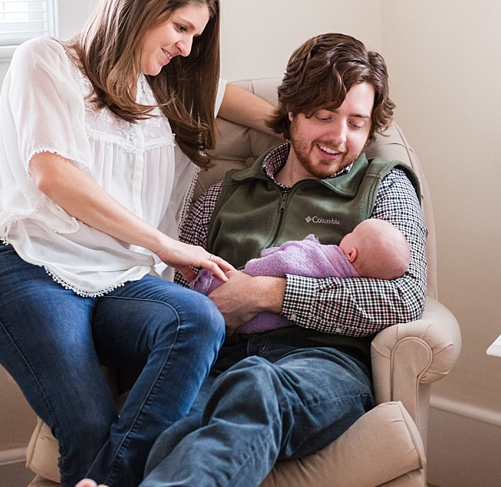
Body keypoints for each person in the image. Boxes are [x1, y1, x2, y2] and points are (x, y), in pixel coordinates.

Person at [0, 0, 275, 487]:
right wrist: (165, 245)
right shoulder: (45, 61)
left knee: (196, 319)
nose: (185, 48)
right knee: (88, 425)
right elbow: (54, 176)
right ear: (142, 3)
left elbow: (248, 105)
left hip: (119, 281)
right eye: (180, 27)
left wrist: (322, 129)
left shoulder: (166, 88)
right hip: (30, 267)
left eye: (195, 37)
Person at [115, 32, 428, 487]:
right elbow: (175, 290)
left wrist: (267, 293)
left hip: (322, 362)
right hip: (217, 359)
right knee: (161, 428)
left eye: (357, 123)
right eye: (324, 116)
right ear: (292, 111)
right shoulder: (223, 193)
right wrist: (211, 310)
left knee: (259, 386)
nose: (340, 138)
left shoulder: (384, 187)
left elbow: (405, 296)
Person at [189, 218, 410, 334]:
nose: (339, 137)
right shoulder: (226, 188)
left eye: (355, 127)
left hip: (308, 354)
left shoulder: (387, 184)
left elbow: (287, 261)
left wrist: (256, 284)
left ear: (351, 254)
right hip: (230, 349)